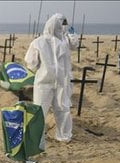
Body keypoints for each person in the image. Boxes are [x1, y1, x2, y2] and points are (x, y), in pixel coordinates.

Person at [24, 13, 79, 146]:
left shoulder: (64, 41)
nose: (62, 28)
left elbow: (74, 45)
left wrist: (72, 36)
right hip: (44, 82)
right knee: (40, 110)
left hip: (61, 82)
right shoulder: (39, 42)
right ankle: (37, 136)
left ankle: (64, 135)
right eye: (62, 25)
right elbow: (30, 62)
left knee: (62, 108)